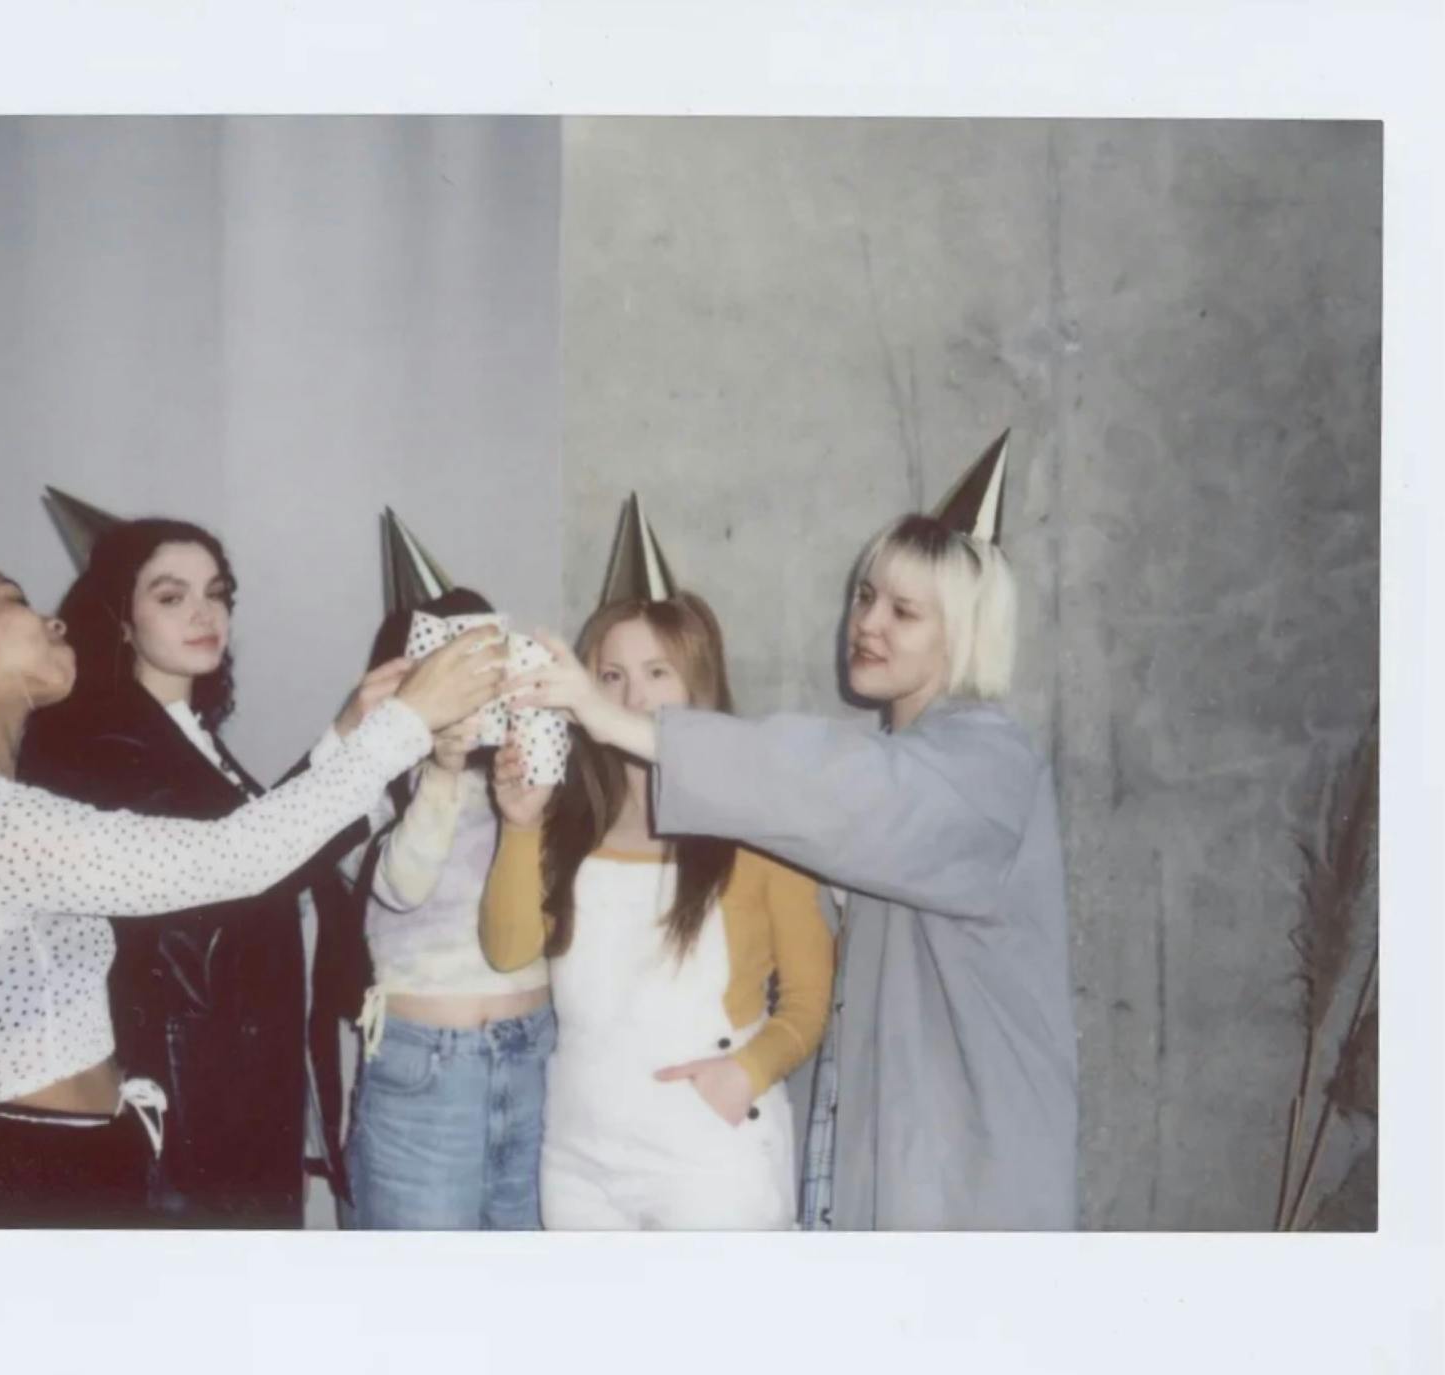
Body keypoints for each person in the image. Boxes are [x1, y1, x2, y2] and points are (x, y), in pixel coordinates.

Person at [0, 487, 505, 1226]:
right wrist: (407, 723)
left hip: (57, 1162)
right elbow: (233, 858)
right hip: (26, 1179)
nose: (54, 617)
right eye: (17, 600)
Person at [512, 438, 1079, 1229]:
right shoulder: (911, 759)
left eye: (904, 611)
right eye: (865, 595)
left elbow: (847, 794)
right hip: (884, 1150)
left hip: (964, 1166)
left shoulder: (987, 766)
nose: (868, 622)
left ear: (967, 631)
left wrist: (616, 718)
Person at [19, 497, 379, 1227]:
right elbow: (244, 870)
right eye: (170, 595)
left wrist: (348, 731)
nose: (203, 613)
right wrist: (381, 759)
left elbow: (254, 838)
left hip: (242, 1068)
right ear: (122, 618)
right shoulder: (114, 751)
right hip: (189, 1082)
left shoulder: (187, 733)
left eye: (217, 593)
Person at [480, 498, 835, 1230]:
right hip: (579, 1161)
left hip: (713, 1156)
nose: (633, 696)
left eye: (657, 672)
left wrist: (748, 1073)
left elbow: (808, 997)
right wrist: (520, 827)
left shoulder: (756, 824)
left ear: (700, 683)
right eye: (609, 677)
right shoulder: (567, 820)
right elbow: (508, 950)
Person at [339, 510, 555, 1230]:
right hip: (423, 1066)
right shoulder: (362, 775)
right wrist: (440, 764)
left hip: (536, 1056)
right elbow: (402, 886)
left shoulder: (533, 765)